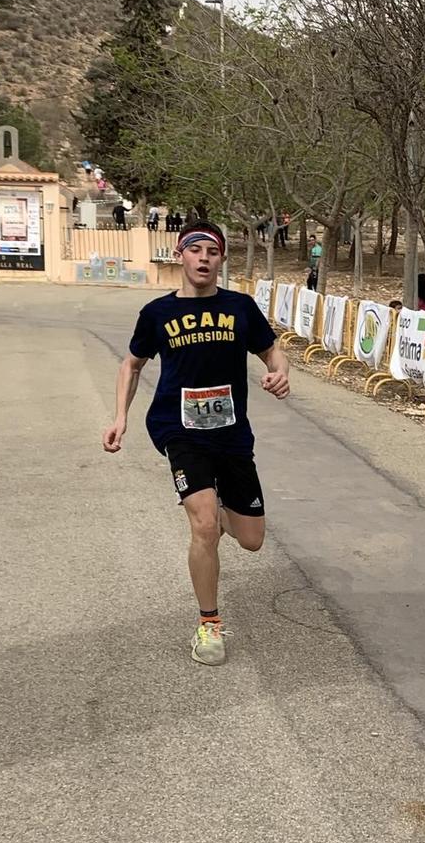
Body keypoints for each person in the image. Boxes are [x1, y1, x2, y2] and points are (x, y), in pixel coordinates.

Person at [103, 220, 291, 666]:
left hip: (231, 433)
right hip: (178, 428)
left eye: (212, 251)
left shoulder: (241, 307)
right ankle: (209, 625)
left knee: (251, 539)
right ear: (180, 256)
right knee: (204, 525)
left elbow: (271, 349)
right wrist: (119, 418)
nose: (204, 258)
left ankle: (217, 507)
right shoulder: (157, 314)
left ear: (221, 259)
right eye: (195, 249)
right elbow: (132, 366)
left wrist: (280, 371)